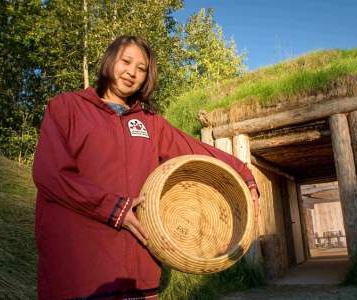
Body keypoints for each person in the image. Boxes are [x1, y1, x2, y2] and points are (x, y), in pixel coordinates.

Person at [32, 35, 259, 300]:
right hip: (79, 274)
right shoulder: (67, 108)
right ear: (109, 61)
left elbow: (197, 150)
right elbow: (51, 174)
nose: (132, 73)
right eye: (126, 61)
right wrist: (115, 208)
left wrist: (245, 174)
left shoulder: (151, 123)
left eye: (142, 69)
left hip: (139, 274)